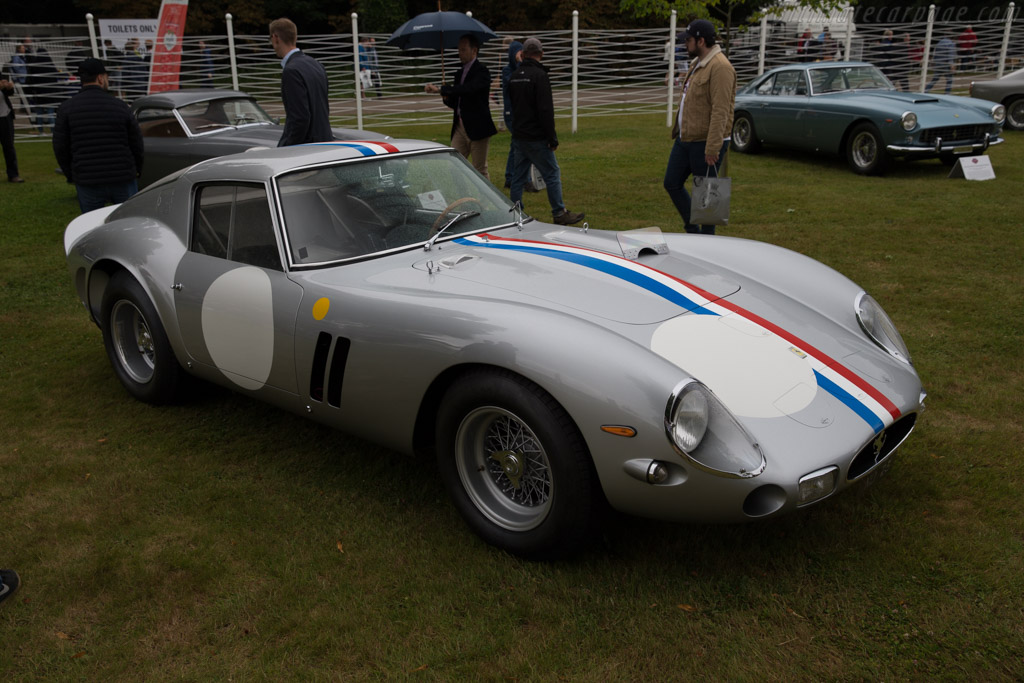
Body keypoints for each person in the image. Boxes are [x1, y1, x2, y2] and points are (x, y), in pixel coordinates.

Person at [663, 20, 735, 236]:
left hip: (706, 142)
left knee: (707, 198)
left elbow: (721, 110)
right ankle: (692, 229)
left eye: (689, 40)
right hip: (686, 139)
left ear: (701, 40)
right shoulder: (698, 62)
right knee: (672, 183)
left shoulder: (720, 67)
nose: (686, 43)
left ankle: (705, 241)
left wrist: (713, 147)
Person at [507, 37, 584, 226]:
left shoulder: (515, 76)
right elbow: (545, 110)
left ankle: (516, 213)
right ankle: (559, 212)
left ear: (523, 54)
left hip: (519, 135)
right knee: (552, 173)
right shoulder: (540, 76)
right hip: (536, 136)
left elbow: (513, 105)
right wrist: (552, 138)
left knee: (518, 176)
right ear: (541, 54)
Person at [52, 58, 144, 213]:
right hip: (122, 176)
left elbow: (60, 146)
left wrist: (71, 174)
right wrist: (137, 169)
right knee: (127, 222)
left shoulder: (66, 109)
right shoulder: (120, 106)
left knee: (90, 226)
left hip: (88, 178)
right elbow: (136, 142)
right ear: (101, 78)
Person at [425, 34, 497, 179]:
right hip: (460, 126)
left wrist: (442, 89)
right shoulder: (459, 72)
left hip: (478, 127)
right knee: (454, 165)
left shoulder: (482, 72)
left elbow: (469, 89)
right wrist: (446, 97)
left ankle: (487, 200)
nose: (460, 53)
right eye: (459, 49)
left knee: (479, 170)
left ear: (474, 51)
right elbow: (457, 100)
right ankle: (463, 197)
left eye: (463, 50)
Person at [270, 17, 333, 147]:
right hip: (325, 141)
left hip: (307, 147)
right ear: (295, 37)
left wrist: (286, 147)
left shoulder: (291, 71)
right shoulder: (316, 64)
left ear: (275, 38)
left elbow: (300, 118)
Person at [501, 39, 523, 188]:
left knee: (516, 145)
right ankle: (517, 177)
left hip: (519, 112)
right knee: (519, 145)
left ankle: (510, 176)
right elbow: (518, 80)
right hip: (511, 114)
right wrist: (519, 62)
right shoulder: (507, 71)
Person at [1, 70, 24, 182]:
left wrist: (8, 87)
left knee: (9, 147)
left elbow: (9, 94)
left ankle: (13, 174)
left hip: (5, 116)